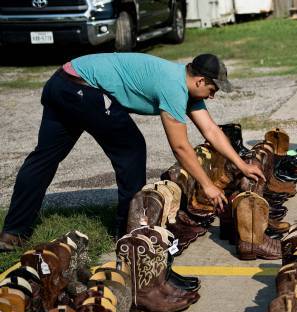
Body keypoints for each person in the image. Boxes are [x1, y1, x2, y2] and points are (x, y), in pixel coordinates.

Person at [0, 52, 265, 251]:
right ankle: (129, 231)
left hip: (61, 82)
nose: (212, 96)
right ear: (200, 80)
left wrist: (242, 165)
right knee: (131, 150)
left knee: (43, 159)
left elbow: (212, 131)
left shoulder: (183, 83)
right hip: (83, 88)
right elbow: (180, 147)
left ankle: (13, 232)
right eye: (213, 89)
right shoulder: (173, 87)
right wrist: (207, 185)